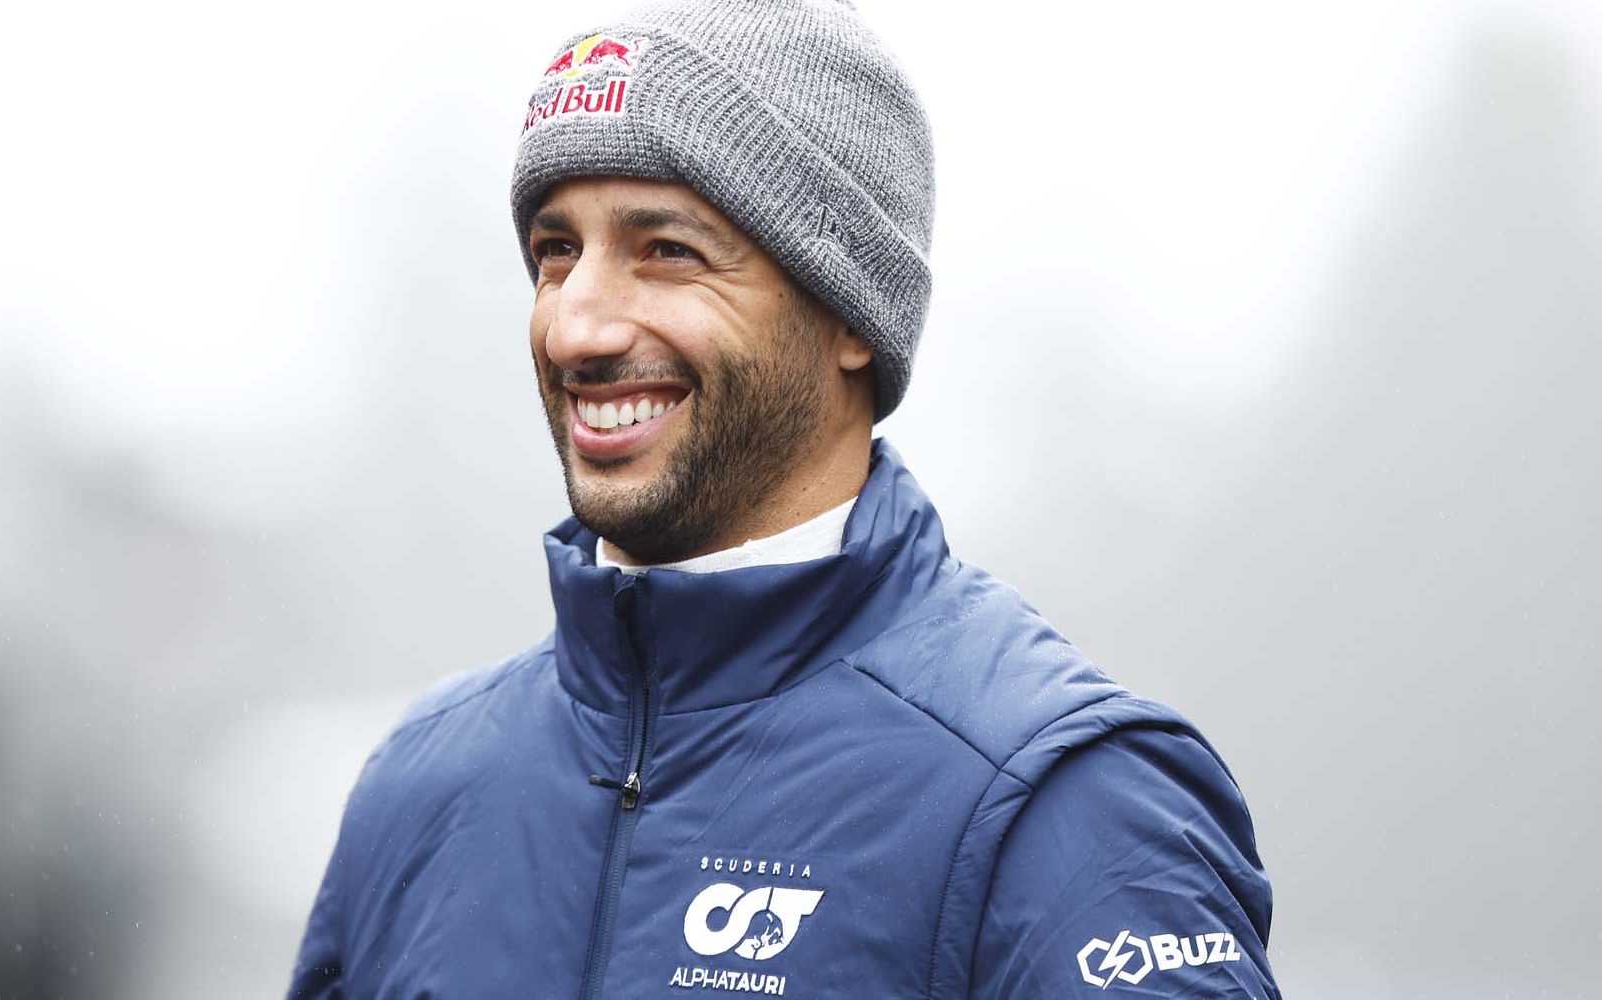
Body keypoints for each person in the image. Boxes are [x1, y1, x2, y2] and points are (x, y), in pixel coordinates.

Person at [287, 0, 1281, 996]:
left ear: (848, 310)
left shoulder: (1060, 797)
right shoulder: (415, 791)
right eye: (556, 251)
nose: (574, 326)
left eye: (666, 249)